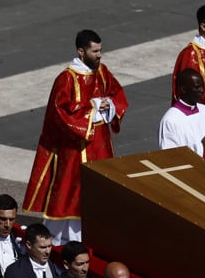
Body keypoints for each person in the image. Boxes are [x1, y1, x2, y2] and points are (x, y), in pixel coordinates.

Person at [23, 29, 128, 244]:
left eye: (100, 50)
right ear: (81, 51)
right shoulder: (66, 79)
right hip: (75, 148)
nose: (99, 55)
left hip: (101, 145)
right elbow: (60, 113)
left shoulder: (102, 71)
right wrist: (94, 107)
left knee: (98, 192)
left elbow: (117, 94)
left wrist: (109, 104)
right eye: (95, 51)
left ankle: (94, 237)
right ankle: (61, 241)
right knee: (71, 195)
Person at [159, 68, 205, 174]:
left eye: (202, 86)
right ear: (183, 89)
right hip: (191, 177)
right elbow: (170, 157)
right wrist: (203, 147)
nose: (202, 90)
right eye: (197, 87)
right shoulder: (170, 120)